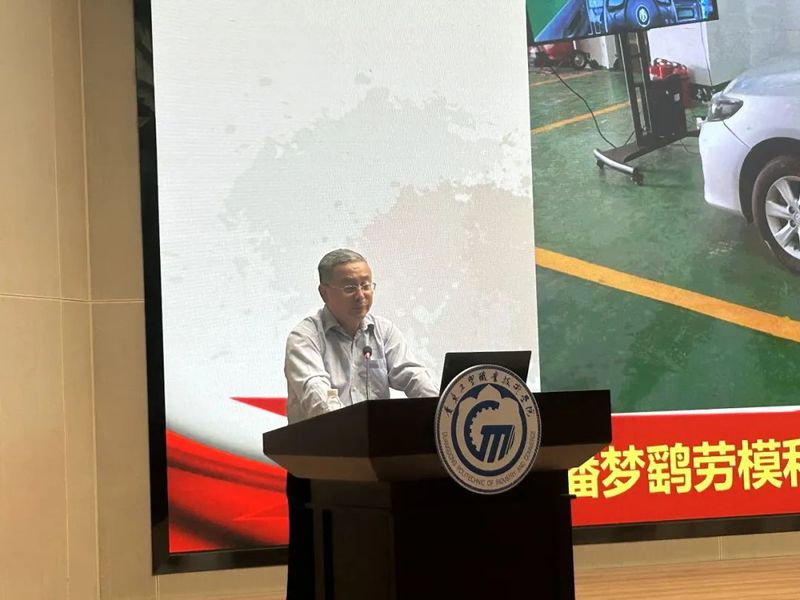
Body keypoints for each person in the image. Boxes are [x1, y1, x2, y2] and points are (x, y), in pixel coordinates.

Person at [283, 248, 438, 599]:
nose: (361, 294)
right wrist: (352, 431)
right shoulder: (305, 337)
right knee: (317, 570)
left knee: (374, 562)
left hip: (374, 468)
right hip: (318, 469)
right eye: (350, 287)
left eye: (367, 285)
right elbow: (316, 394)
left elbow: (412, 375)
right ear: (324, 292)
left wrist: (445, 409)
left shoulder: (382, 331)